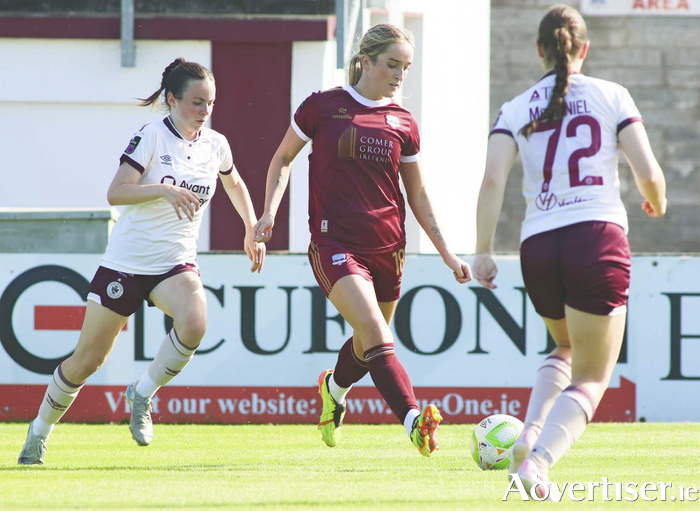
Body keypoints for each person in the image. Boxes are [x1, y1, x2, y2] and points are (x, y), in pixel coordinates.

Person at [18, 58, 266, 465]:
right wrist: (162, 191)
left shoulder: (215, 144)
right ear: (172, 99)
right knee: (87, 362)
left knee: (195, 321)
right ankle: (39, 432)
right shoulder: (151, 136)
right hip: (125, 264)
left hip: (174, 263)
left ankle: (141, 393)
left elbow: (233, 181)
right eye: (197, 102)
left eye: (211, 103)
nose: (205, 111)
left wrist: (250, 226)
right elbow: (116, 193)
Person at [252, 24, 472, 457]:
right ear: (365, 60)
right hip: (335, 245)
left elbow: (418, 193)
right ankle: (414, 421)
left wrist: (447, 252)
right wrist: (269, 211)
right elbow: (282, 158)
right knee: (373, 330)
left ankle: (333, 389)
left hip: (389, 248)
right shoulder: (323, 107)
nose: (399, 75)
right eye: (392, 64)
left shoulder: (404, 123)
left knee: (368, 340)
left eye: (406, 67)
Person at [474, 4, 667, 498]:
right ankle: (536, 464)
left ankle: (530, 432)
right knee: (594, 375)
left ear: (540, 50)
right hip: (594, 236)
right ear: (584, 49)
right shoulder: (611, 94)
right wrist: (655, 201)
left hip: (538, 243)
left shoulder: (515, 107)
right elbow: (648, 173)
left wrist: (483, 250)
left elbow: (494, 178)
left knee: (563, 346)